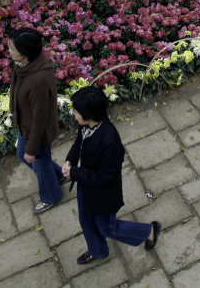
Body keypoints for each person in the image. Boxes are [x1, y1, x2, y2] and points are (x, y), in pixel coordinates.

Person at [62, 86, 161, 265]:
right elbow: (79, 143)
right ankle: (97, 251)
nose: (73, 114)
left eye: (76, 111)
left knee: (108, 228)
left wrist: (74, 173)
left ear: (88, 114)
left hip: (103, 195)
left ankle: (149, 231)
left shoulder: (110, 141)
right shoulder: (87, 126)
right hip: (86, 185)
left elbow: (104, 177)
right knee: (86, 220)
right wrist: (70, 160)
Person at [8, 28, 64, 214]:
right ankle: (58, 176)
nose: (8, 50)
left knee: (38, 163)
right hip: (26, 128)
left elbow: (40, 118)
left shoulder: (38, 79)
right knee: (26, 156)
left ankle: (52, 196)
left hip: (37, 134)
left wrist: (32, 148)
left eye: (12, 48)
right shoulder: (24, 65)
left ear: (25, 54)